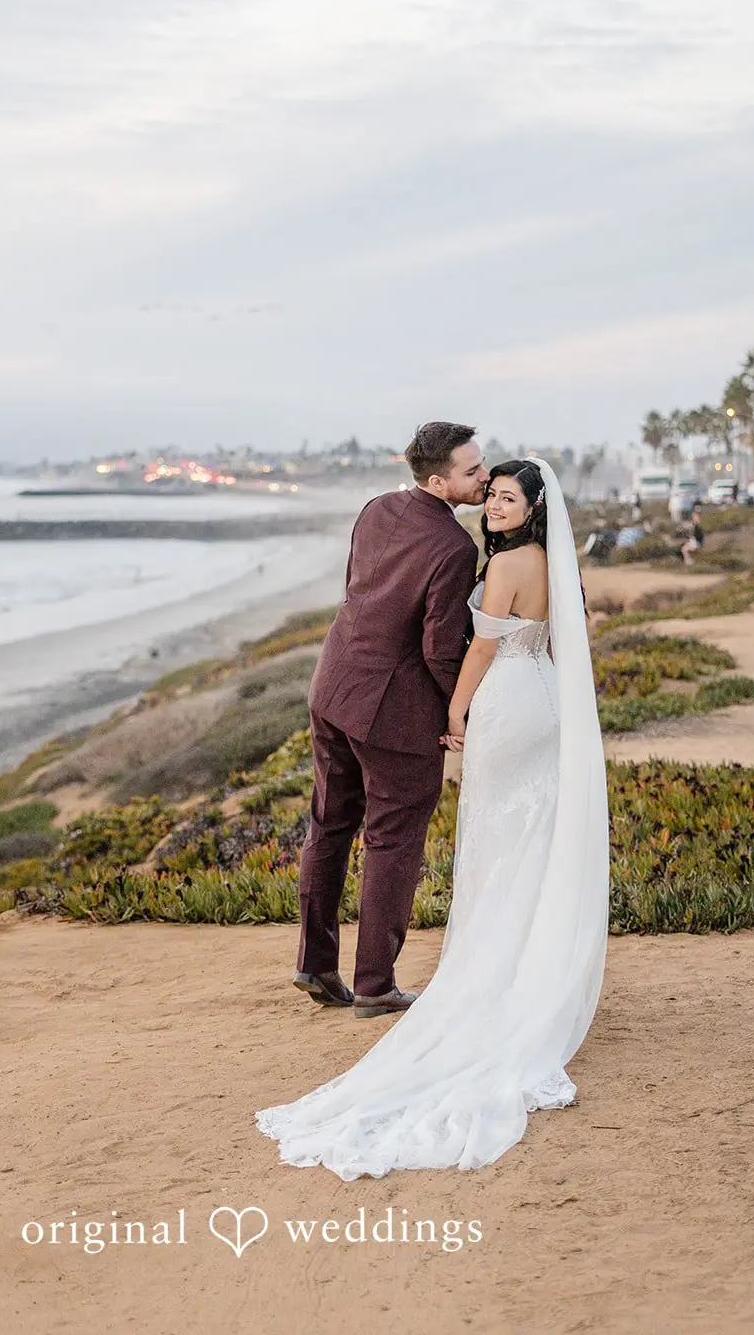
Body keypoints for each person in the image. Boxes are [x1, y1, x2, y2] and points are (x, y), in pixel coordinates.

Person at [255, 457, 609, 1180]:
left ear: (534, 508)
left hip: (418, 693)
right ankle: (395, 977)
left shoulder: (403, 524)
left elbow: (470, 644)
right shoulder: (534, 561)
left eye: (505, 494)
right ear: (441, 473)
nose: (489, 497)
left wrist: (453, 710)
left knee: (363, 830)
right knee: (519, 840)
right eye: (483, 483)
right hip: (531, 698)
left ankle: (331, 966)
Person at [290, 421, 486, 1018]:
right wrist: (464, 711)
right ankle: (375, 985)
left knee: (329, 826)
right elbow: (439, 648)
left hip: (333, 686)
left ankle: (315, 964)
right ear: (438, 480)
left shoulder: (376, 509)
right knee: (392, 841)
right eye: (472, 470)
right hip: (393, 715)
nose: (484, 476)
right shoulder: (455, 548)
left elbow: (358, 588)